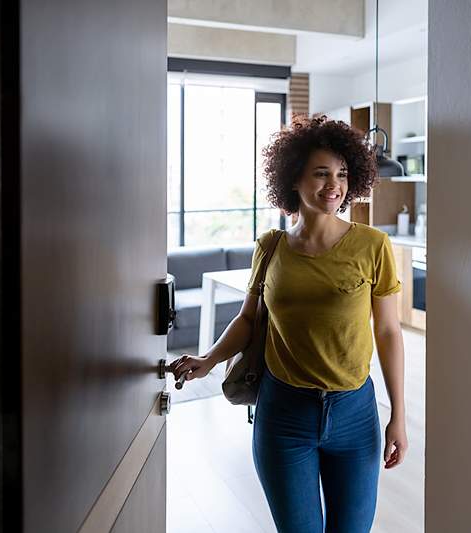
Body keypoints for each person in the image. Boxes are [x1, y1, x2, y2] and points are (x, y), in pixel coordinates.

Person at [169, 115, 407, 533]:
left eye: (342, 174)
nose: (334, 185)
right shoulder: (271, 246)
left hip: (355, 414)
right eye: (321, 174)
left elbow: (388, 332)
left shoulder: (374, 246)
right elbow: (248, 320)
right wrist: (209, 360)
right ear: (294, 179)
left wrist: (399, 416)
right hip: (284, 415)